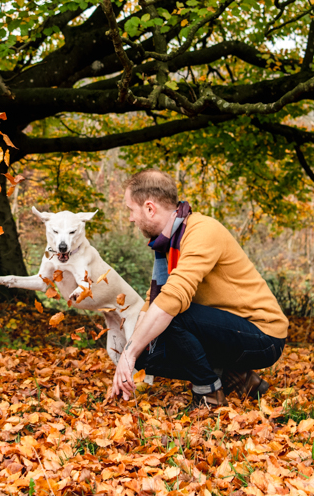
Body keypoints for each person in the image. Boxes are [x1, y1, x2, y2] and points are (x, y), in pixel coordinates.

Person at [108, 169, 288, 410]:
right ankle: (237, 377)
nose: (131, 218)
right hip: (228, 330)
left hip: (263, 335)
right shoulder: (168, 243)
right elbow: (154, 302)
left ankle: (209, 394)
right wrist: (132, 352)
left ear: (150, 208)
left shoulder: (201, 231)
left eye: (132, 210)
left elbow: (170, 300)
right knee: (146, 352)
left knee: (172, 315)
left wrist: (128, 355)